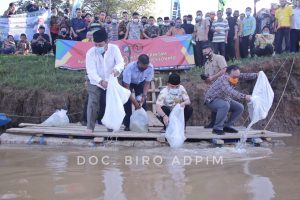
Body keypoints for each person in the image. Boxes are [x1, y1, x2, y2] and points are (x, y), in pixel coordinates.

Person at [85, 28, 125, 133]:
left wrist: (117, 70)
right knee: (93, 102)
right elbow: (91, 71)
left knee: (110, 103)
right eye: (96, 44)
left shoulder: (114, 49)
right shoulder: (90, 53)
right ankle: (90, 127)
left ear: (106, 42)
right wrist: (101, 81)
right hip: (95, 82)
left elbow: (121, 62)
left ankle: (110, 127)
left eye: (100, 45)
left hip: (111, 81)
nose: (97, 47)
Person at [204, 65, 256, 135]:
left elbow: (245, 76)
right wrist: (244, 96)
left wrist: (257, 75)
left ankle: (227, 126)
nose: (236, 78)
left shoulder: (234, 76)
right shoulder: (223, 80)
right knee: (225, 105)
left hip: (224, 99)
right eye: (234, 76)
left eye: (237, 76)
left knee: (240, 107)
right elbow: (230, 91)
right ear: (227, 74)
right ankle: (217, 128)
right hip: (212, 100)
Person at [122, 54, 154, 131]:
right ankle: (127, 125)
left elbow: (147, 83)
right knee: (127, 101)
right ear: (138, 62)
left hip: (140, 82)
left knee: (142, 102)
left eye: (145, 67)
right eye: (142, 67)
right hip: (128, 83)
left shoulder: (150, 67)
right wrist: (135, 103)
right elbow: (127, 89)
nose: (144, 68)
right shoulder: (129, 68)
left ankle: (143, 124)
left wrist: (144, 96)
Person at [201, 43, 227, 128]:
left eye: (206, 51)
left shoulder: (219, 58)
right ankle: (213, 122)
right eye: (203, 52)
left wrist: (213, 77)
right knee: (213, 104)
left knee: (222, 104)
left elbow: (224, 70)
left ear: (211, 49)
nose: (205, 53)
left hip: (222, 85)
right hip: (212, 86)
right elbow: (208, 76)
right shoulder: (206, 63)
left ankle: (221, 124)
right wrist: (206, 79)